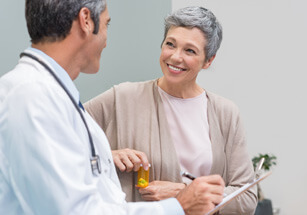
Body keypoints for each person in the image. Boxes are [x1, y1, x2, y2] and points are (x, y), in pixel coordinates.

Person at [0, 1, 225, 214]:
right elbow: (76, 211)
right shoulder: (32, 97)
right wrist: (178, 206)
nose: (106, 40)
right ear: (86, 20)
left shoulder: (50, 95)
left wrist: (106, 155)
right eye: (106, 24)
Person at [84, 6, 257, 215]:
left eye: (190, 50)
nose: (175, 57)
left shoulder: (226, 113)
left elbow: (246, 197)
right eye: (170, 44)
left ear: (209, 60)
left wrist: (182, 192)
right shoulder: (121, 97)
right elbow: (60, 139)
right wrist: (107, 154)